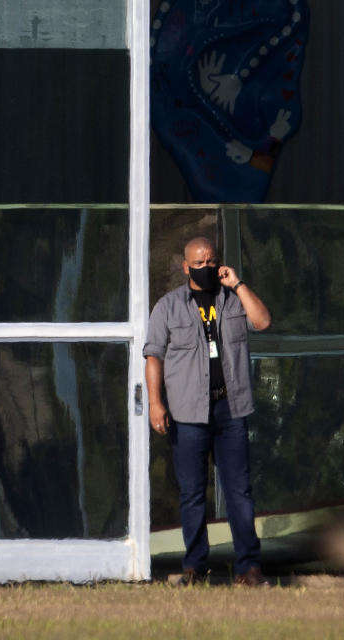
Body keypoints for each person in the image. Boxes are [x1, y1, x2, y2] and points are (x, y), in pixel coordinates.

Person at [144, 236, 272, 587]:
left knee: (239, 491)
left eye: (210, 261)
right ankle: (195, 568)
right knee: (192, 493)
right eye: (197, 264)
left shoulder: (232, 298)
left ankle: (248, 568)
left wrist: (239, 284)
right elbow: (153, 355)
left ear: (219, 262)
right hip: (188, 413)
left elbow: (262, 322)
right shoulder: (168, 306)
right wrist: (156, 402)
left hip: (230, 408)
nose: (205, 269)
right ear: (185, 266)